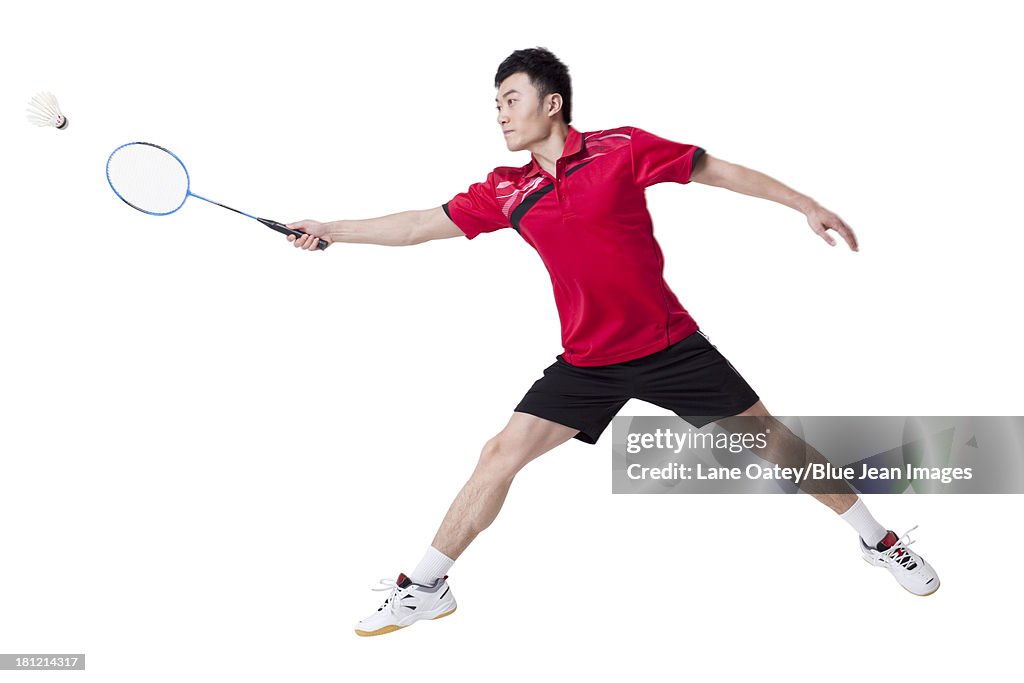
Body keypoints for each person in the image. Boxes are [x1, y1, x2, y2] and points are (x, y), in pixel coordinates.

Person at [286, 48, 940, 637]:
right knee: (497, 455)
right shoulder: (508, 188)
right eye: (495, 106)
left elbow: (717, 171)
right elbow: (419, 225)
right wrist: (332, 230)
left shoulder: (621, 148)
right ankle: (426, 585)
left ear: (552, 102)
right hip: (587, 361)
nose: (501, 116)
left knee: (776, 444)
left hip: (668, 345)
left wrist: (804, 203)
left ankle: (879, 540)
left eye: (510, 100)